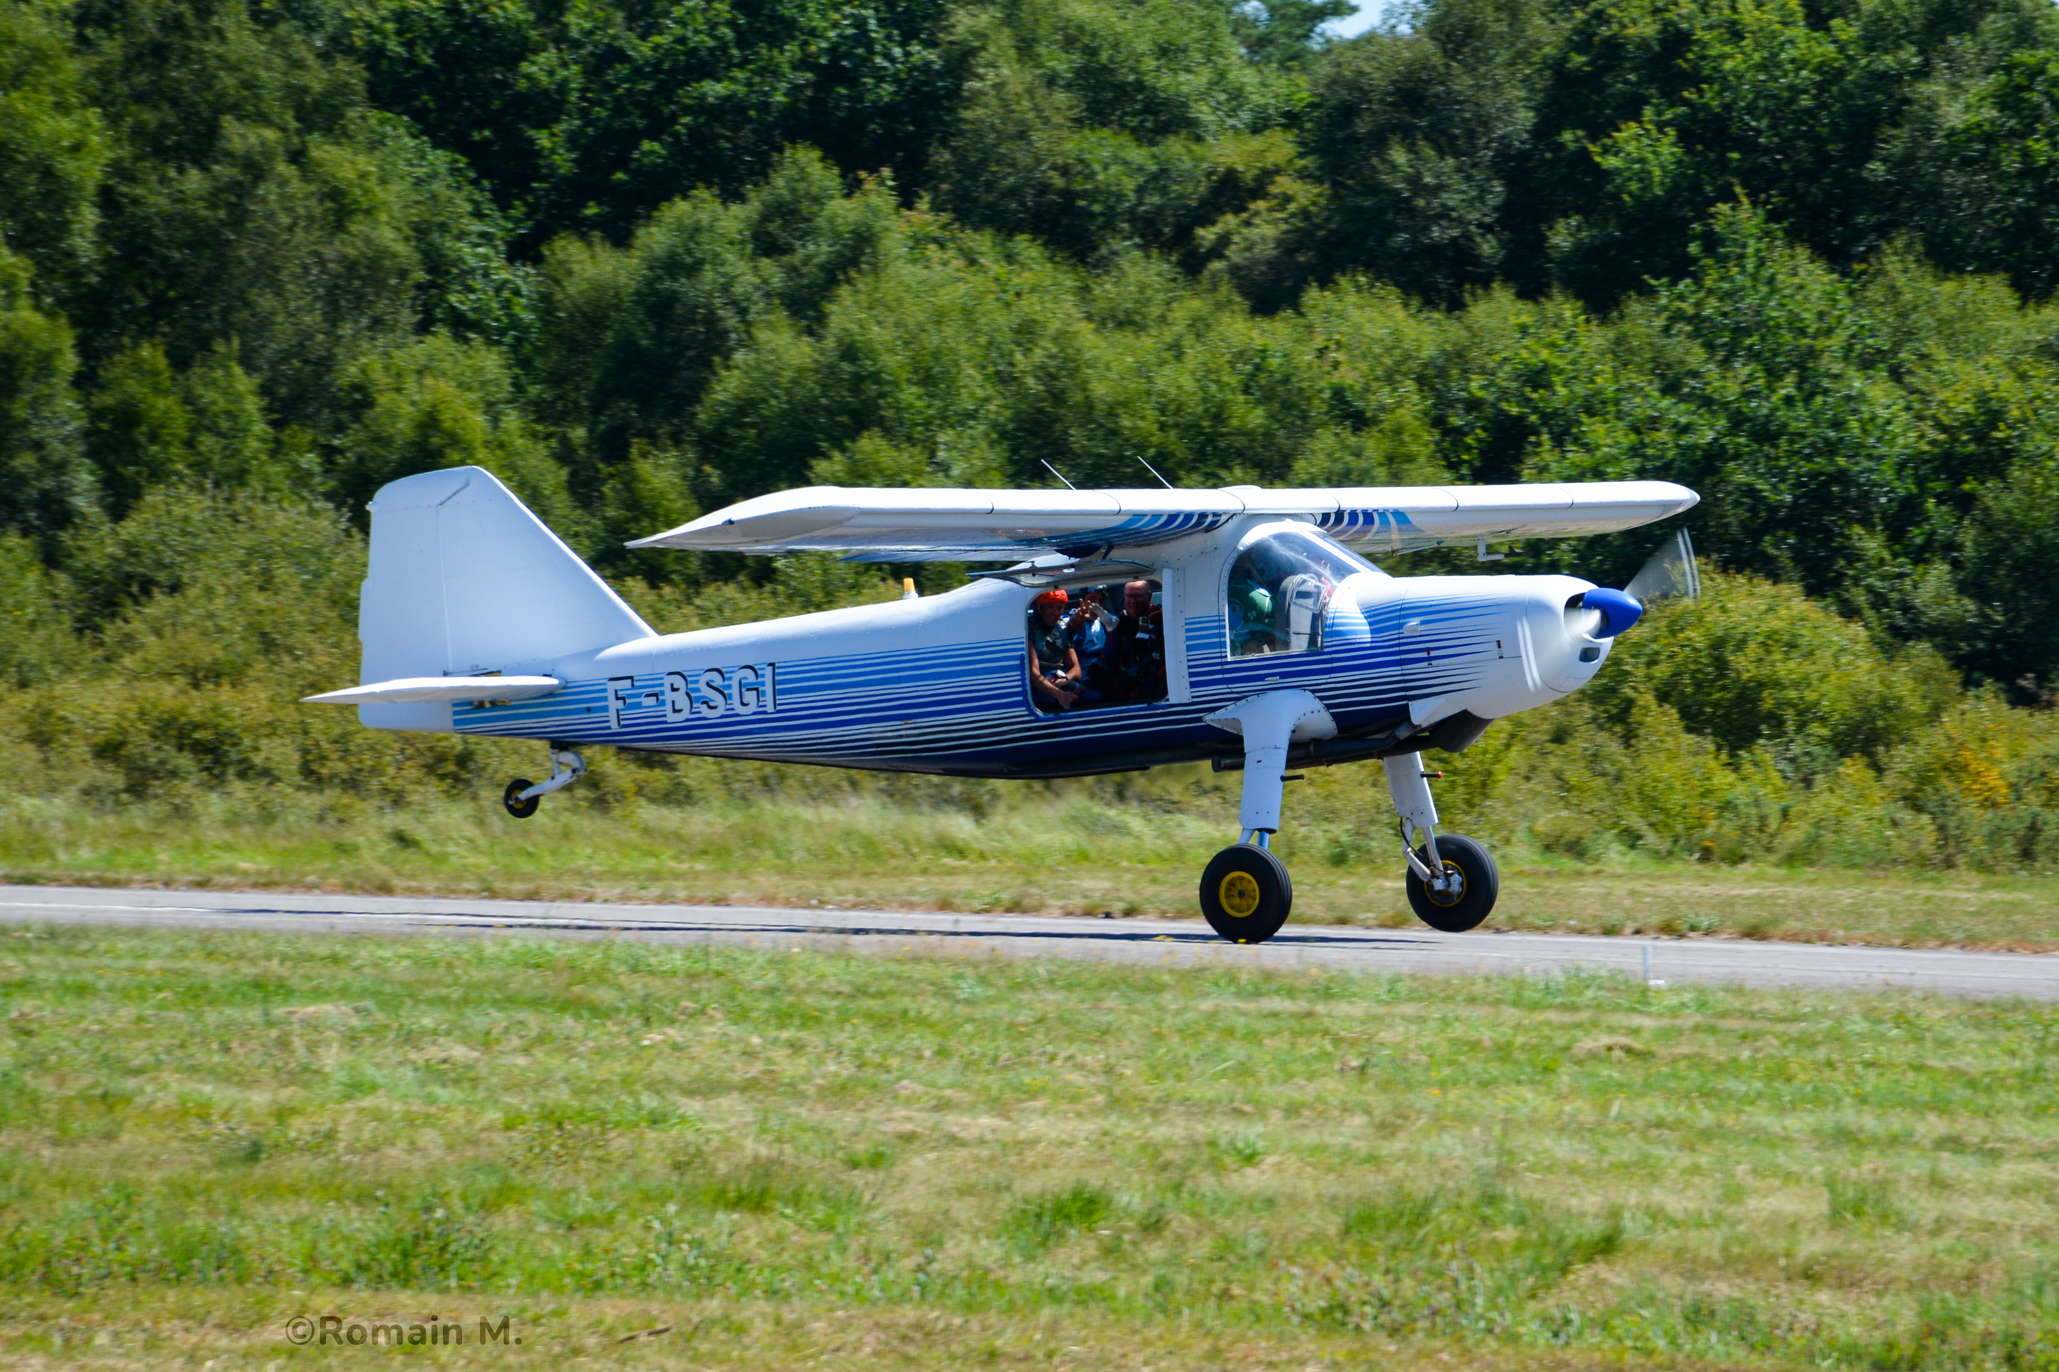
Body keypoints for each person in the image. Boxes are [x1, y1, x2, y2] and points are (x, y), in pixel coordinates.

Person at [1026, 588, 1082, 711]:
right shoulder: (1029, 628)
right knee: (1073, 689)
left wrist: (1065, 677)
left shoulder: (1061, 628)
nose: (1056, 612)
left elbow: (1076, 670)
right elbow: (1034, 674)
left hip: (1058, 678)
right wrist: (1059, 694)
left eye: (1060, 607)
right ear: (1040, 608)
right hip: (1039, 686)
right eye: (1051, 606)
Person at [1112, 580, 1167, 702]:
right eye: (1129, 596)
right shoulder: (1118, 623)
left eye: (1138, 596)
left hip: (1154, 680)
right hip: (1126, 679)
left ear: (1149, 596)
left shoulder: (1162, 618)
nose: (1133, 601)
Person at [1065, 587, 1118, 704]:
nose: (1097, 604)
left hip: (1105, 676)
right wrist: (1077, 621)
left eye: (1101, 601)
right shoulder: (1066, 621)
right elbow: (1067, 628)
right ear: (1082, 600)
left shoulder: (1107, 622)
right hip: (1081, 680)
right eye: (1092, 599)